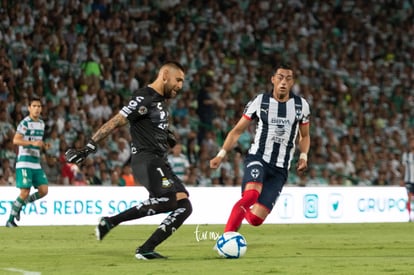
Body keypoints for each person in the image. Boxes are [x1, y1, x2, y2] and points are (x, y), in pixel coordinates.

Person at [65, 61, 192, 259]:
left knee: (184, 206)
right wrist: (89, 146)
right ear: (165, 74)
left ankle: (145, 248)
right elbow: (117, 120)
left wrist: (167, 134)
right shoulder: (144, 96)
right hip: (146, 160)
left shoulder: (160, 101)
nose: (180, 86)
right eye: (178, 80)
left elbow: (150, 125)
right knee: (168, 201)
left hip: (160, 161)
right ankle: (111, 221)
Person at [210, 63, 310, 232]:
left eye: (288, 78)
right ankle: (227, 237)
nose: (283, 82)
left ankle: (240, 211)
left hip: (280, 168)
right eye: (280, 77)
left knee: (256, 220)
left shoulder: (301, 106)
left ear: (292, 83)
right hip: (259, 158)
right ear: (273, 80)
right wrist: (221, 154)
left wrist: (303, 156)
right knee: (251, 196)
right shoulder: (260, 101)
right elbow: (237, 131)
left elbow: (305, 135)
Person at [6, 96, 50, 227]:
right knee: (25, 192)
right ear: (29, 108)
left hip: (36, 163)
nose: (37, 109)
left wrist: (43, 146)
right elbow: (16, 140)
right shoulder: (24, 123)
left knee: (44, 190)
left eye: (39, 106)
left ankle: (20, 206)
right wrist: (33, 143)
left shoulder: (42, 124)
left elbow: (37, 142)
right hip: (24, 162)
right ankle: (10, 220)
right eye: (34, 106)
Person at [401, 137, 414, 222]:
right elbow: (403, 167)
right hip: (409, 180)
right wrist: (402, 178)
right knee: (409, 197)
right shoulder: (406, 155)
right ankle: (409, 217)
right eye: (412, 142)